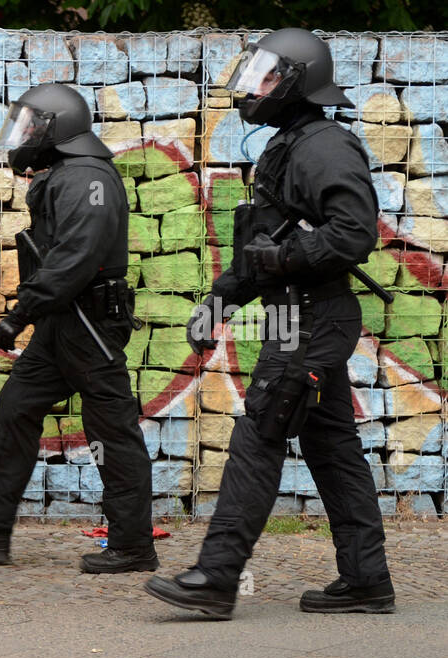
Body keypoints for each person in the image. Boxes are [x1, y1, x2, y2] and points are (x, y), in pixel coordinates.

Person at [145, 28, 394, 619]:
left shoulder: (323, 146)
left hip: (310, 320)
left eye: (268, 75)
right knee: (333, 448)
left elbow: (354, 234)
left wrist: (285, 259)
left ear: (299, 82)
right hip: (294, 318)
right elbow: (262, 246)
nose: (255, 86)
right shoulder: (290, 144)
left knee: (260, 435)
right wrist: (222, 301)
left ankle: (216, 578)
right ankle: (366, 581)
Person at [0, 84, 156, 573]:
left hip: (87, 323)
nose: (22, 136)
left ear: (56, 129)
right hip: (63, 320)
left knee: (110, 429)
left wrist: (21, 312)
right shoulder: (69, 173)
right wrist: (34, 313)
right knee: (16, 409)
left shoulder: (86, 176)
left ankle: (133, 545)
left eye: (30, 125)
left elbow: (76, 257)